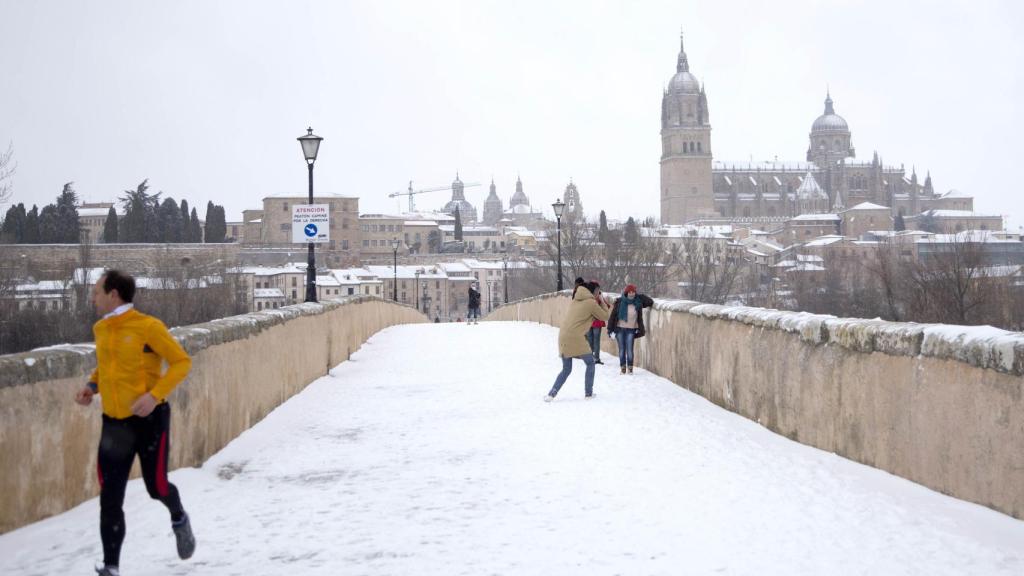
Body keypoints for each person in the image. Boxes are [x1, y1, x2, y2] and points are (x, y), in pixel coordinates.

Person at [73, 270, 196, 576]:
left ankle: (179, 517)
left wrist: (154, 396)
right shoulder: (101, 329)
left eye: (97, 292)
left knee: (157, 487)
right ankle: (111, 567)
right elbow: (107, 365)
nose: (93, 297)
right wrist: (92, 386)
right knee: (111, 497)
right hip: (114, 423)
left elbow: (181, 362)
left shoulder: (147, 327)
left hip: (149, 420)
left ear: (114, 294)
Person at [545, 281, 610, 401]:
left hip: (563, 335)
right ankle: (588, 394)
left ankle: (551, 394)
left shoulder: (575, 300)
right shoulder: (591, 303)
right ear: (593, 291)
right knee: (590, 363)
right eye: (597, 291)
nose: (598, 293)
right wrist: (602, 300)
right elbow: (605, 316)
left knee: (566, 369)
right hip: (576, 337)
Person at [607, 284, 655, 375]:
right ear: (626, 292)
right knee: (622, 349)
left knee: (629, 349)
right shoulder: (620, 302)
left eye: (633, 292)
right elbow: (612, 316)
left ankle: (630, 368)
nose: (632, 294)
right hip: (619, 329)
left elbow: (650, 302)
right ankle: (623, 368)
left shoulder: (638, 302)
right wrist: (610, 329)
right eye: (630, 292)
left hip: (631, 329)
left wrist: (639, 296)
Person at [586, 280, 608, 364]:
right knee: (591, 340)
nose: (598, 290)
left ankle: (595, 358)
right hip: (590, 321)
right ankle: (593, 357)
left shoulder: (596, 296)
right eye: (596, 289)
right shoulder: (594, 297)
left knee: (594, 340)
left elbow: (606, 306)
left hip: (595, 322)